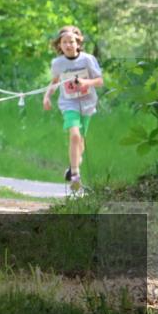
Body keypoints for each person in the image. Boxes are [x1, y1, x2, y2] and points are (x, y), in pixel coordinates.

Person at [42, 25, 103, 192]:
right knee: (74, 135)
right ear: (59, 45)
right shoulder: (58, 63)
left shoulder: (88, 60)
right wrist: (47, 96)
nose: (68, 45)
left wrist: (86, 83)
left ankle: (72, 166)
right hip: (69, 104)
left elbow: (99, 81)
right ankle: (76, 176)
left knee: (80, 144)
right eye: (64, 42)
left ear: (78, 43)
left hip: (88, 103)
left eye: (71, 42)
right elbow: (55, 81)